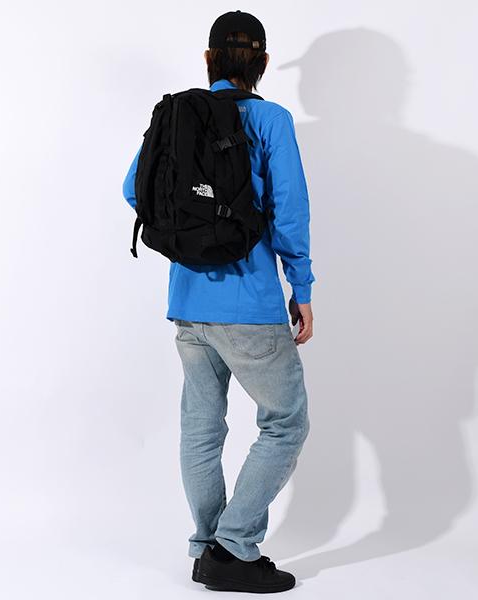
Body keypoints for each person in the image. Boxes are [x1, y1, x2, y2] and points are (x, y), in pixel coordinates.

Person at [122, 10, 315, 594]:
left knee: (202, 427)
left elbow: (134, 188)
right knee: (286, 422)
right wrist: (301, 287)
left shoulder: (179, 116)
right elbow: (289, 211)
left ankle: (208, 548)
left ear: (209, 60)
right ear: (262, 63)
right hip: (249, 304)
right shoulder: (271, 120)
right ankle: (233, 547)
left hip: (187, 303)